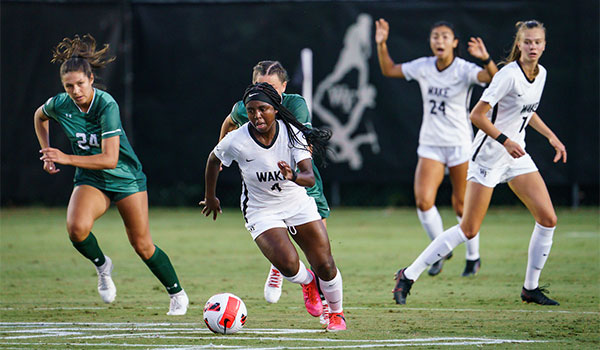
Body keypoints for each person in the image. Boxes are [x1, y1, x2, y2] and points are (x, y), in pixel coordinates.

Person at [393, 20, 566, 305]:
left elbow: (527, 111)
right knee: (468, 228)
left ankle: (530, 288)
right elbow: (477, 115)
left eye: (537, 42)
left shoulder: (542, 74)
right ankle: (408, 275)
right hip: (488, 155)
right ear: (519, 45)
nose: (532, 46)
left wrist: (551, 137)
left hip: (516, 155)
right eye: (527, 42)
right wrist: (505, 141)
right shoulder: (507, 75)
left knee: (548, 219)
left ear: (544, 45)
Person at [33, 34, 188, 315]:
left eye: (80, 83)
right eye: (69, 86)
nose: (76, 90)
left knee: (142, 245)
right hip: (92, 180)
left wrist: (65, 158)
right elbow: (39, 116)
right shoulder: (60, 104)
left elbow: (110, 158)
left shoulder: (107, 105)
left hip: (125, 178)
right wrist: (47, 151)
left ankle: (176, 293)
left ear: (91, 79)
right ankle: (103, 265)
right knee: (76, 230)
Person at [201, 82, 346, 331]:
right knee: (288, 265)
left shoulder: (293, 134)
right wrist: (211, 197)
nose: (257, 115)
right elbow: (213, 159)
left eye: (263, 109)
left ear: (276, 109)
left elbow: (309, 178)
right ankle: (307, 282)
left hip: (297, 202)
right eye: (251, 110)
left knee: (325, 264)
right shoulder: (237, 139)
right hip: (261, 210)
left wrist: (292, 176)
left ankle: (336, 314)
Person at [375, 19, 499, 277]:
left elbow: (493, 79)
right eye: (435, 36)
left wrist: (486, 58)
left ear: (454, 42)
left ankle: (473, 257)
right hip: (431, 143)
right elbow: (388, 69)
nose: (439, 41)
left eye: (444, 36)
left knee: (462, 205)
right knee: (423, 201)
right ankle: (440, 251)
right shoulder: (423, 66)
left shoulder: (464, 69)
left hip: (459, 143)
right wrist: (382, 43)